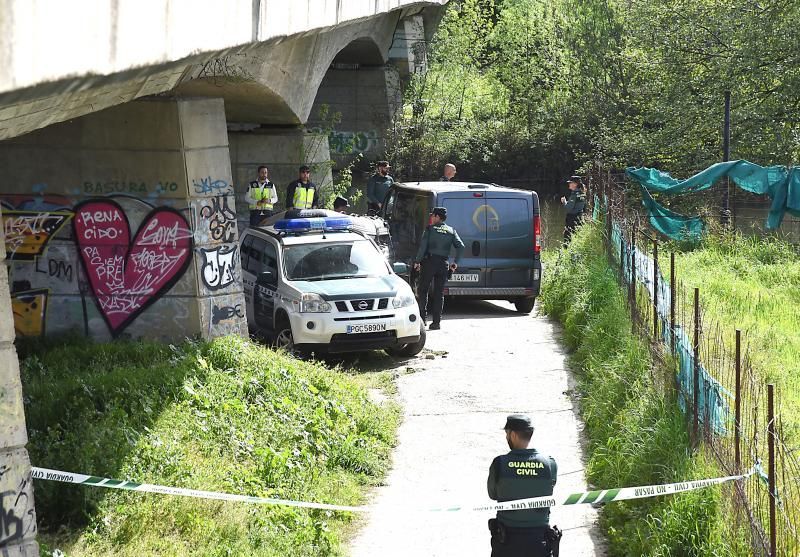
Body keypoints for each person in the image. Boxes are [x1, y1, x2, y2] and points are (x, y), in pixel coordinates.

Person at [487, 415, 560, 557]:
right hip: (539, 541)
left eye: (507, 433)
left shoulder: (499, 464)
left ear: (513, 435)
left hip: (507, 541)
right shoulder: (549, 464)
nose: (506, 437)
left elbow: (493, 494)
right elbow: (550, 488)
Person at [413, 207, 464, 330]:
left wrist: (417, 261)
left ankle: (422, 320)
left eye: (432, 216)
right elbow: (461, 246)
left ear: (437, 216)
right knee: (439, 294)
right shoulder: (451, 231)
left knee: (423, 290)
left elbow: (423, 247)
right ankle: (436, 323)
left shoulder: (430, 230)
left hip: (430, 262)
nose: (431, 217)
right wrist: (455, 263)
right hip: (443, 264)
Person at [561, 176, 586, 243]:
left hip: (572, 219)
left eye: (570, 183)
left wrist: (564, 202)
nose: (569, 184)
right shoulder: (582, 193)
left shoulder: (574, 195)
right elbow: (584, 207)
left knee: (567, 237)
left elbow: (568, 208)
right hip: (579, 217)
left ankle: (566, 251)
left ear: (575, 184)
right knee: (577, 235)